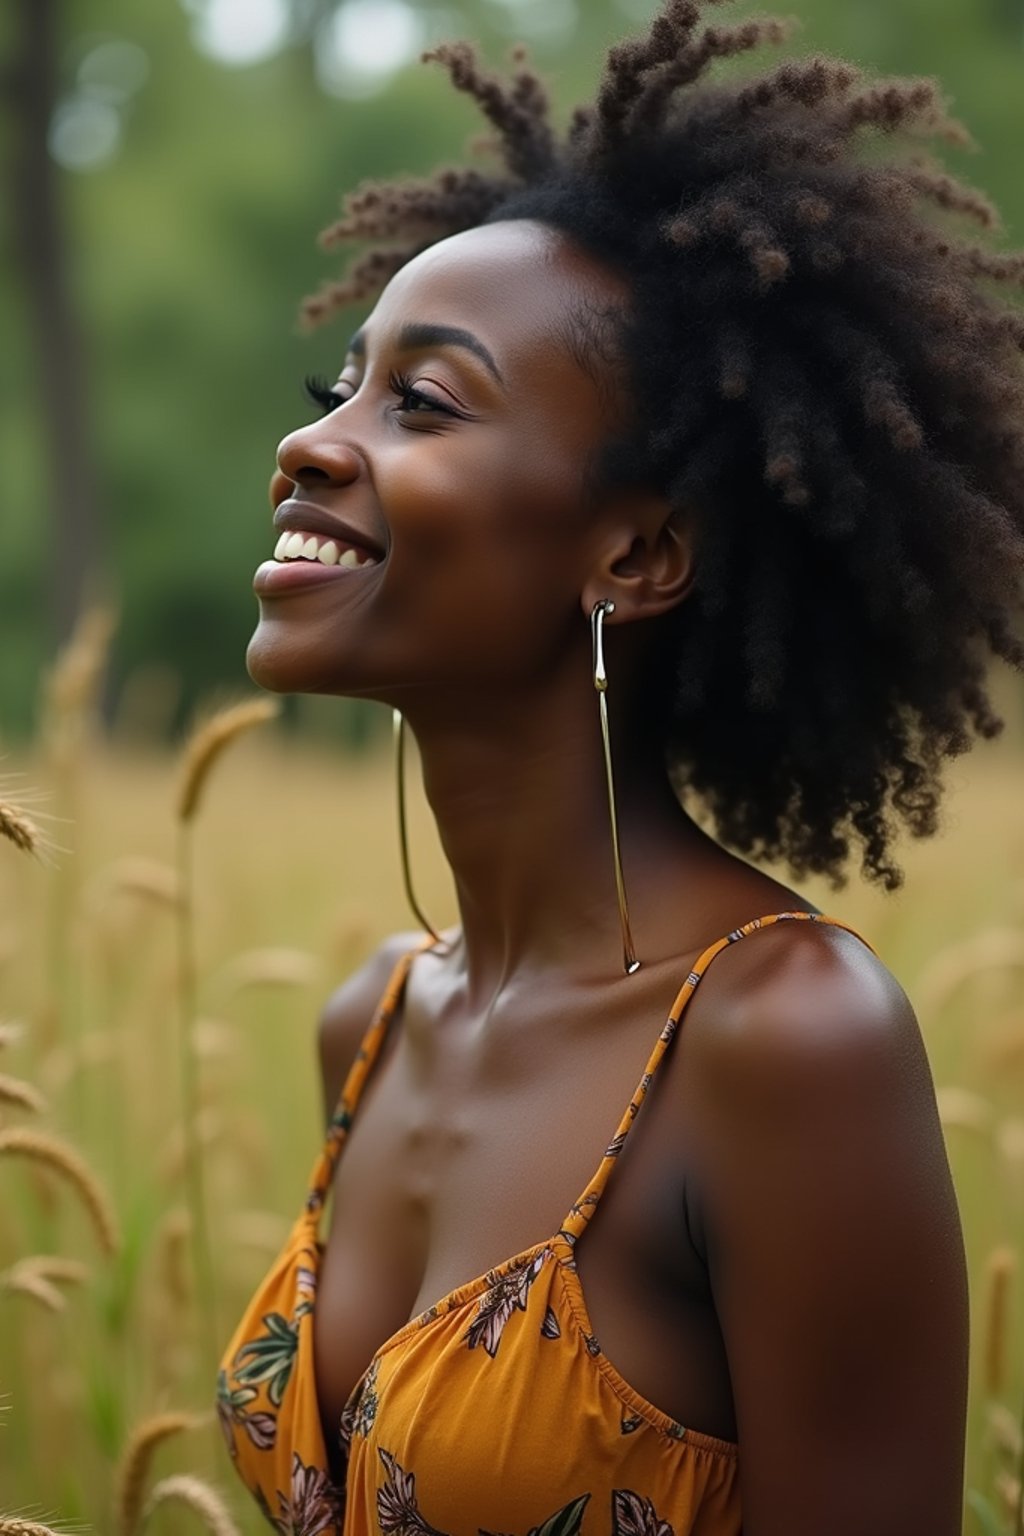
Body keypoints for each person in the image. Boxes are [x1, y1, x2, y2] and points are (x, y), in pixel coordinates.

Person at [218, 2, 1024, 1531]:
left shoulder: (788, 1042)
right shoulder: (371, 1021)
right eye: (343, 386)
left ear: (637, 552)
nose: (314, 444)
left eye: (424, 403)